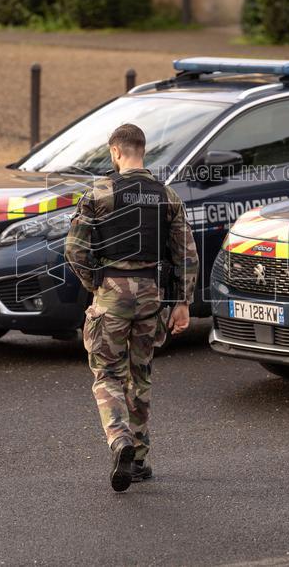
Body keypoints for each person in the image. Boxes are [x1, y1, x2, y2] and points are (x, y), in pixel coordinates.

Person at [64, 123, 199, 492]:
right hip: (152, 295)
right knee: (140, 375)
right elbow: (186, 254)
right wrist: (182, 303)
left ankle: (119, 439)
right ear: (143, 151)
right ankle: (139, 459)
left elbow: (74, 250)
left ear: (115, 152)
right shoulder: (166, 195)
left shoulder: (99, 192)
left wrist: (97, 284)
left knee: (107, 373)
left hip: (111, 291)